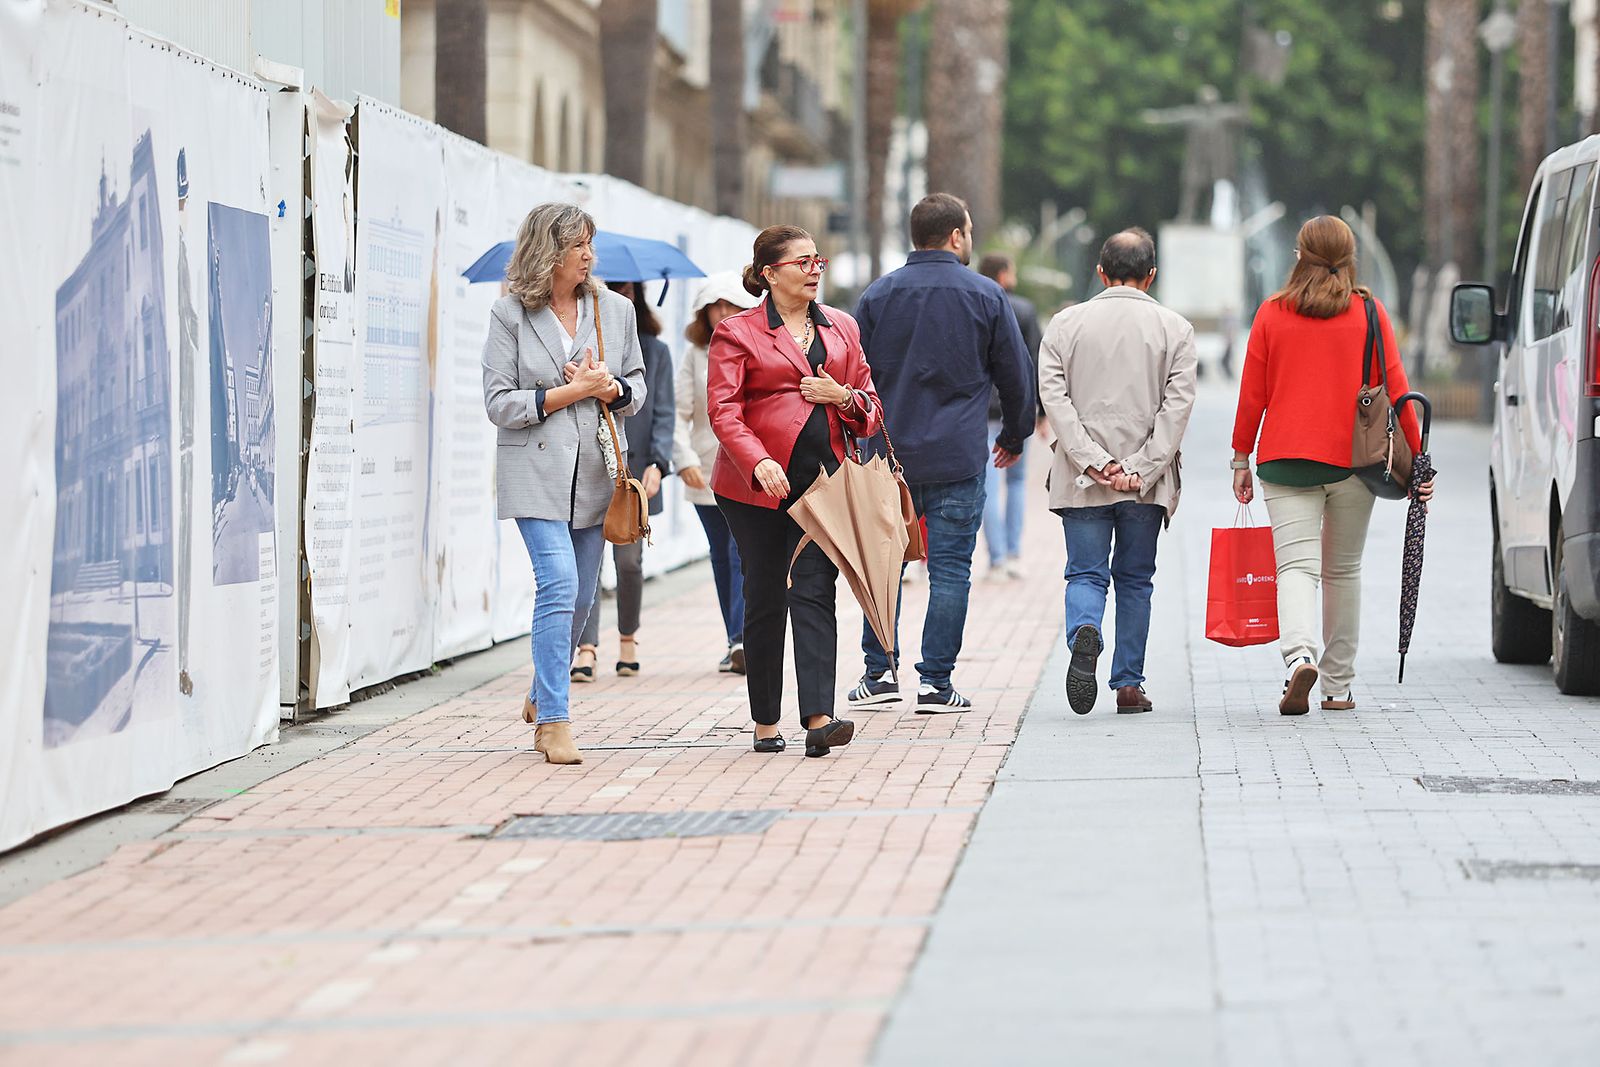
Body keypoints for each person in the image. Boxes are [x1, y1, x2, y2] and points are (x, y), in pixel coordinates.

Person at [1231, 215, 1434, 715]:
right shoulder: (1368, 312)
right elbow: (1397, 385)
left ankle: (1299, 655)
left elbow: (1252, 393)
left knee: (1296, 568)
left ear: (1298, 256)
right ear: (1350, 257)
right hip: (1353, 462)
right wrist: (1418, 463)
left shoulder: (1273, 313)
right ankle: (1338, 687)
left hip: (1284, 460)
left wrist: (1240, 455)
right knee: (1343, 570)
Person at [845, 193, 1034, 713]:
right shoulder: (987, 296)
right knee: (951, 568)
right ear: (956, 236)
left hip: (884, 455)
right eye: (969, 231)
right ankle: (936, 683)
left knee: (881, 566)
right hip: (958, 454)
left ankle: (879, 673)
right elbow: (1017, 377)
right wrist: (1014, 437)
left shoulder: (877, 296)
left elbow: (852, 377)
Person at [708, 225, 883, 756]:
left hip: (821, 485)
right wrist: (757, 460)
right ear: (769, 273)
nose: (814, 271)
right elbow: (724, 410)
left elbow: (872, 411)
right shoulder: (736, 332)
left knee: (814, 589)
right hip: (752, 488)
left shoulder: (842, 328)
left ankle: (818, 719)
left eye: (817, 261)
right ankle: (765, 723)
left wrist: (843, 395)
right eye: (802, 262)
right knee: (764, 597)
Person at [482, 202, 646, 764]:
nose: (588, 255)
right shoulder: (510, 315)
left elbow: (637, 390)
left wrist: (609, 389)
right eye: (578, 244)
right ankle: (553, 719)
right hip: (533, 470)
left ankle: (539, 689)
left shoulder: (615, 310)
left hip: (598, 473)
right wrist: (569, 393)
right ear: (547, 251)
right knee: (557, 582)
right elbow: (498, 403)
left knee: (578, 594)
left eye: (590, 244)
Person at [1039, 228, 1197, 715]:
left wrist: (1096, 460)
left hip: (1082, 478)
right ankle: (1128, 683)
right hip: (1142, 488)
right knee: (1135, 580)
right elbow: (1177, 409)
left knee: (1085, 574)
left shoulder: (1065, 325)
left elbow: (1055, 402)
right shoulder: (1176, 329)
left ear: (1101, 272)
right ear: (1151, 275)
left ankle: (1085, 628)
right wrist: (1139, 468)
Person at [574, 280, 676, 681]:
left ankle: (628, 638)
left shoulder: (656, 351)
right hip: (589, 468)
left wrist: (659, 463)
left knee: (629, 562)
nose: (621, 298)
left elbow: (664, 411)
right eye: (612, 290)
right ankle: (587, 647)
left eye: (628, 291)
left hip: (635, 473)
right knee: (589, 563)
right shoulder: (578, 346)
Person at [675, 272, 762, 674]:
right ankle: (735, 639)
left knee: (740, 550)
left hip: (748, 469)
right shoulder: (694, 355)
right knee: (720, 555)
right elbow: (679, 412)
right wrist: (685, 459)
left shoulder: (758, 347)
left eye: (732, 305)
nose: (724, 313)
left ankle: (746, 637)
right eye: (716, 306)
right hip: (704, 470)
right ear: (704, 312)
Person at [976, 253, 1044, 580]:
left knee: (988, 484)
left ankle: (997, 557)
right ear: (1004, 275)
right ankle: (1014, 552)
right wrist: (1041, 410)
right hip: (1016, 409)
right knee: (1016, 481)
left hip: (981, 410)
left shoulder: (973, 303)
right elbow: (1035, 362)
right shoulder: (1025, 310)